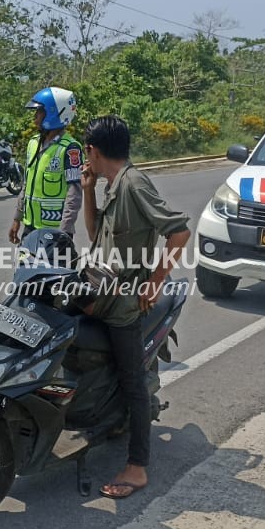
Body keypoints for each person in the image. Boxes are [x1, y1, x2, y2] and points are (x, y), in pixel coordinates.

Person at [78, 115, 191, 501]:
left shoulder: (134, 183)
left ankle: (137, 466)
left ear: (93, 150)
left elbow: (179, 231)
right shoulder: (111, 186)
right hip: (99, 288)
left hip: (124, 303)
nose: (84, 159)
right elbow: (95, 236)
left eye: (85, 152)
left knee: (133, 381)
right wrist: (88, 192)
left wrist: (154, 281)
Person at [8, 86, 83, 245]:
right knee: (24, 269)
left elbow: (74, 194)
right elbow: (26, 185)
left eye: (39, 112)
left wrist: (65, 231)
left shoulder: (70, 149)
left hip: (55, 231)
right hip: (30, 228)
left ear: (54, 113)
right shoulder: (33, 143)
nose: (35, 117)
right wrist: (17, 219)